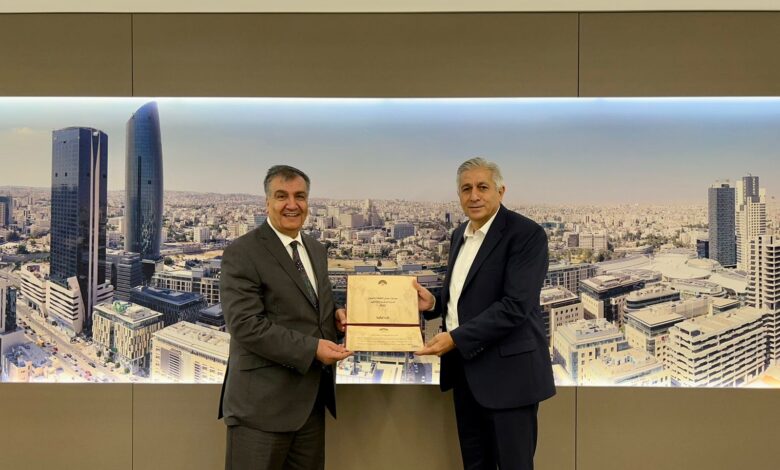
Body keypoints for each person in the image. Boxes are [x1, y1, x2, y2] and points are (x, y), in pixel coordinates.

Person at [415, 157, 555, 470]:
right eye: (466, 189)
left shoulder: (526, 234)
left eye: (482, 187)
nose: (474, 196)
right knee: (475, 464)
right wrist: (434, 303)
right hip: (466, 375)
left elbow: (515, 306)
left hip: (510, 378)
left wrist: (454, 339)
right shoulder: (459, 235)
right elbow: (467, 294)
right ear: (459, 195)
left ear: (500, 191)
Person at [218, 165, 351, 470]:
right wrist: (313, 349)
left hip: (311, 405)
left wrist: (336, 319)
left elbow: (313, 310)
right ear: (267, 202)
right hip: (260, 408)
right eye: (282, 196)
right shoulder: (243, 251)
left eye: (299, 196)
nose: (292, 204)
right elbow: (245, 325)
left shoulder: (315, 249)